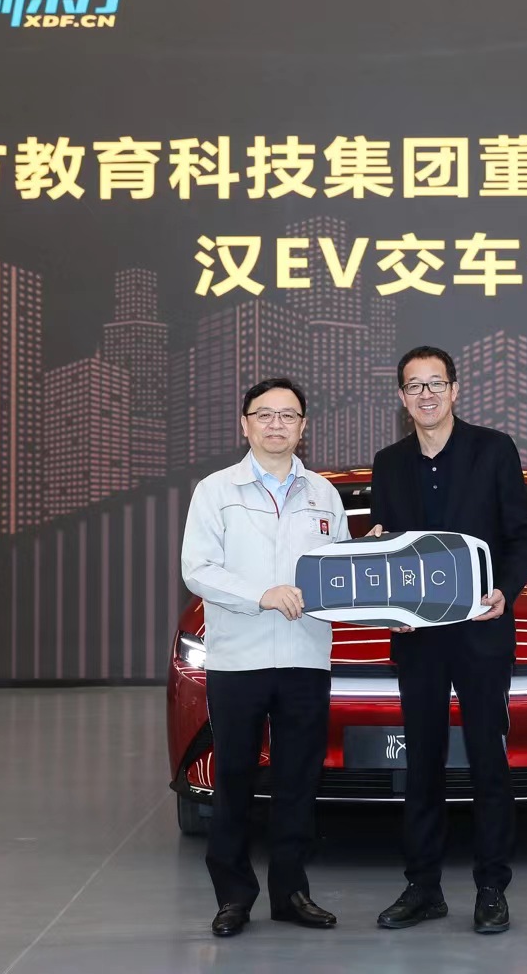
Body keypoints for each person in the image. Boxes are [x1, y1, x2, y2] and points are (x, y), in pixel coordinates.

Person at [367, 345, 527, 935]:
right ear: (402, 397)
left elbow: (521, 537)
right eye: (414, 385)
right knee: (422, 764)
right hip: (418, 637)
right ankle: (424, 888)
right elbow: (388, 548)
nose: (426, 394)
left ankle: (492, 888)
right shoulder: (389, 463)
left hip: (481, 631)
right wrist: (385, 599)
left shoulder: (494, 450)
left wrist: (505, 592)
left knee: (488, 760)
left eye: (435, 383)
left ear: (455, 389)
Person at [180, 377, 347, 938]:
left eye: (288, 415)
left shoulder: (324, 495)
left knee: (298, 780)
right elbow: (198, 569)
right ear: (245, 424)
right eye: (265, 414)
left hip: (305, 656)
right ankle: (233, 896)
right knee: (234, 777)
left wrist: (373, 564)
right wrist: (262, 595)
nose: (277, 424)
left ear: (303, 427)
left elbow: (337, 574)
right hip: (238, 659)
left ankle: (291, 893)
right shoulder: (215, 491)